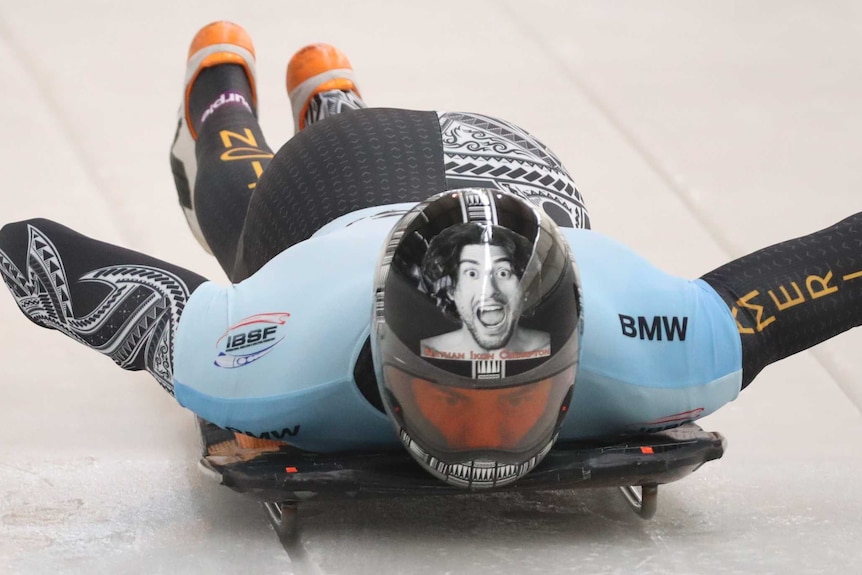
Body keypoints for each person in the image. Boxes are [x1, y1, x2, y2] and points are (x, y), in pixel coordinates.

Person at [2, 21, 861, 489]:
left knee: (258, 244)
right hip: (342, 189)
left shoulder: (654, 341)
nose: (484, 442)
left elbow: (833, 272)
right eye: (456, 408)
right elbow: (89, 279)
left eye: (511, 406)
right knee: (245, 228)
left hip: (506, 165)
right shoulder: (268, 351)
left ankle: (326, 96)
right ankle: (223, 103)